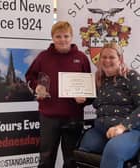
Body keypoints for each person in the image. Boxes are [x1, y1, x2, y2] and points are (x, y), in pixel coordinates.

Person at [25, 21, 91, 168]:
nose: (62, 39)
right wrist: (37, 87)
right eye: (58, 36)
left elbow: (89, 87)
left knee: (71, 159)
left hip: (73, 116)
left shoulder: (81, 58)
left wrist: (85, 100)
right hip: (49, 116)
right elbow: (30, 76)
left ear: (72, 37)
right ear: (52, 37)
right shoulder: (43, 57)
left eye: (66, 36)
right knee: (46, 157)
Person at [80, 42, 140, 168]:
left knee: (113, 150)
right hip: (101, 129)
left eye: (112, 57)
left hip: (129, 129)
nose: (107, 60)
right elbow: (91, 99)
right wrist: (82, 98)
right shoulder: (99, 80)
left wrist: (122, 126)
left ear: (120, 59)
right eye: (104, 57)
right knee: (85, 147)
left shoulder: (131, 76)